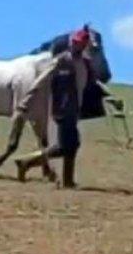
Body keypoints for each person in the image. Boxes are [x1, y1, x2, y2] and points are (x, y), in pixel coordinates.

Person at [13, 27, 91, 188]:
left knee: (72, 145)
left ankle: (67, 181)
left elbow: (91, 83)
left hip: (74, 109)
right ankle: (26, 162)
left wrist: (109, 97)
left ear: (84, 46)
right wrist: (27, 99)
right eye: (75, 42)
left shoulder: (84, 63)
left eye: (79, 43)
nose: (76, 45)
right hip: (62, 109)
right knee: (64, 146)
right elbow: (42, 79)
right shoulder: (61, 60)